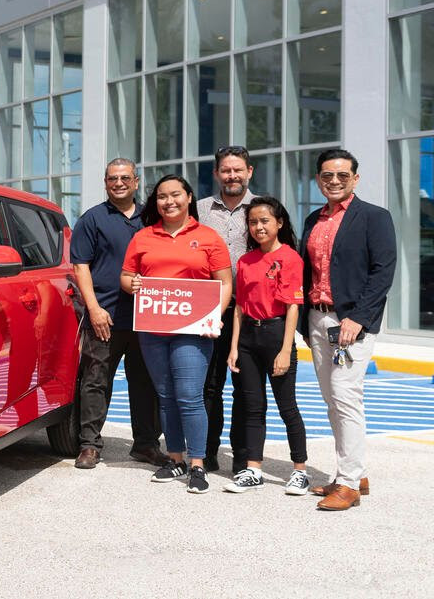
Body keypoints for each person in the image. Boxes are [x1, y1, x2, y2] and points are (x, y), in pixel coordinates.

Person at [121, 175, 232, 494]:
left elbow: (225, 283)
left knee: (190, 396)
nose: (169, 201)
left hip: (194, 330)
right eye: (161, 197)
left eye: (175, 195)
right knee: (166, 397)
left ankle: (197, 464)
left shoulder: (208, 237)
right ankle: (175, 458)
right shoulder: (143, 237)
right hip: (153, 329)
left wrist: (214, 316)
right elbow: (126, 278)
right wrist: (135, 284)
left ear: (188, 197)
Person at [300, 149, 396, 511]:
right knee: (331, 400)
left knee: (345, 396)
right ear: (318, 179)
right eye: (327, 175)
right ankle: (353, 472)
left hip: (351, 321)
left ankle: (350, 484)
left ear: (355, 178)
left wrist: (359, 317)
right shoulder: (313, 219)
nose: (334, 181)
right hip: (318, 318)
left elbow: (382, 271)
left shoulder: (374, 217)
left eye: (342, 175)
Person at [70, 158, 167, 470]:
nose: (119, 183)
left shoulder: (152, 219)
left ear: (136, 182)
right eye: (113, 178)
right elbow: (80, 266)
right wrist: (94, 308)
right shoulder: (92, 219)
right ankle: (89, 445)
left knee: (146, 383)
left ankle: (146, 445)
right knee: (95, 381)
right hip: (106, 316)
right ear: (105, 182)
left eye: (125, 178)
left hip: (147, 317)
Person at [223, 196, 309, 494]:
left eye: (264, 221)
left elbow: (293, 309)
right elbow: (238, 309)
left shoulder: (290, 258)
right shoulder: (245, 261)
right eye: (253, 222)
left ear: (279, 223)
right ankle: (253, 468)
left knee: (287, 408)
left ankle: (299, 470)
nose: (258, 227)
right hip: (247, 339)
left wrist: (286, 350)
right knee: (252, 407)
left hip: (276, 336)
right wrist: (234, 348)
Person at [196, 145, 257, 472]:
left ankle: (244, 456)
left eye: (238, 170)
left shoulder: (263, 208)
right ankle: (206, 452)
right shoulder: (201, 210)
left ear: (250, 172)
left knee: (246, 387)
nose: (232, 176)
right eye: (226, 170)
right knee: (209, 385)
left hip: (249, 310)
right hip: (210, 307)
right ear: (217, 174)